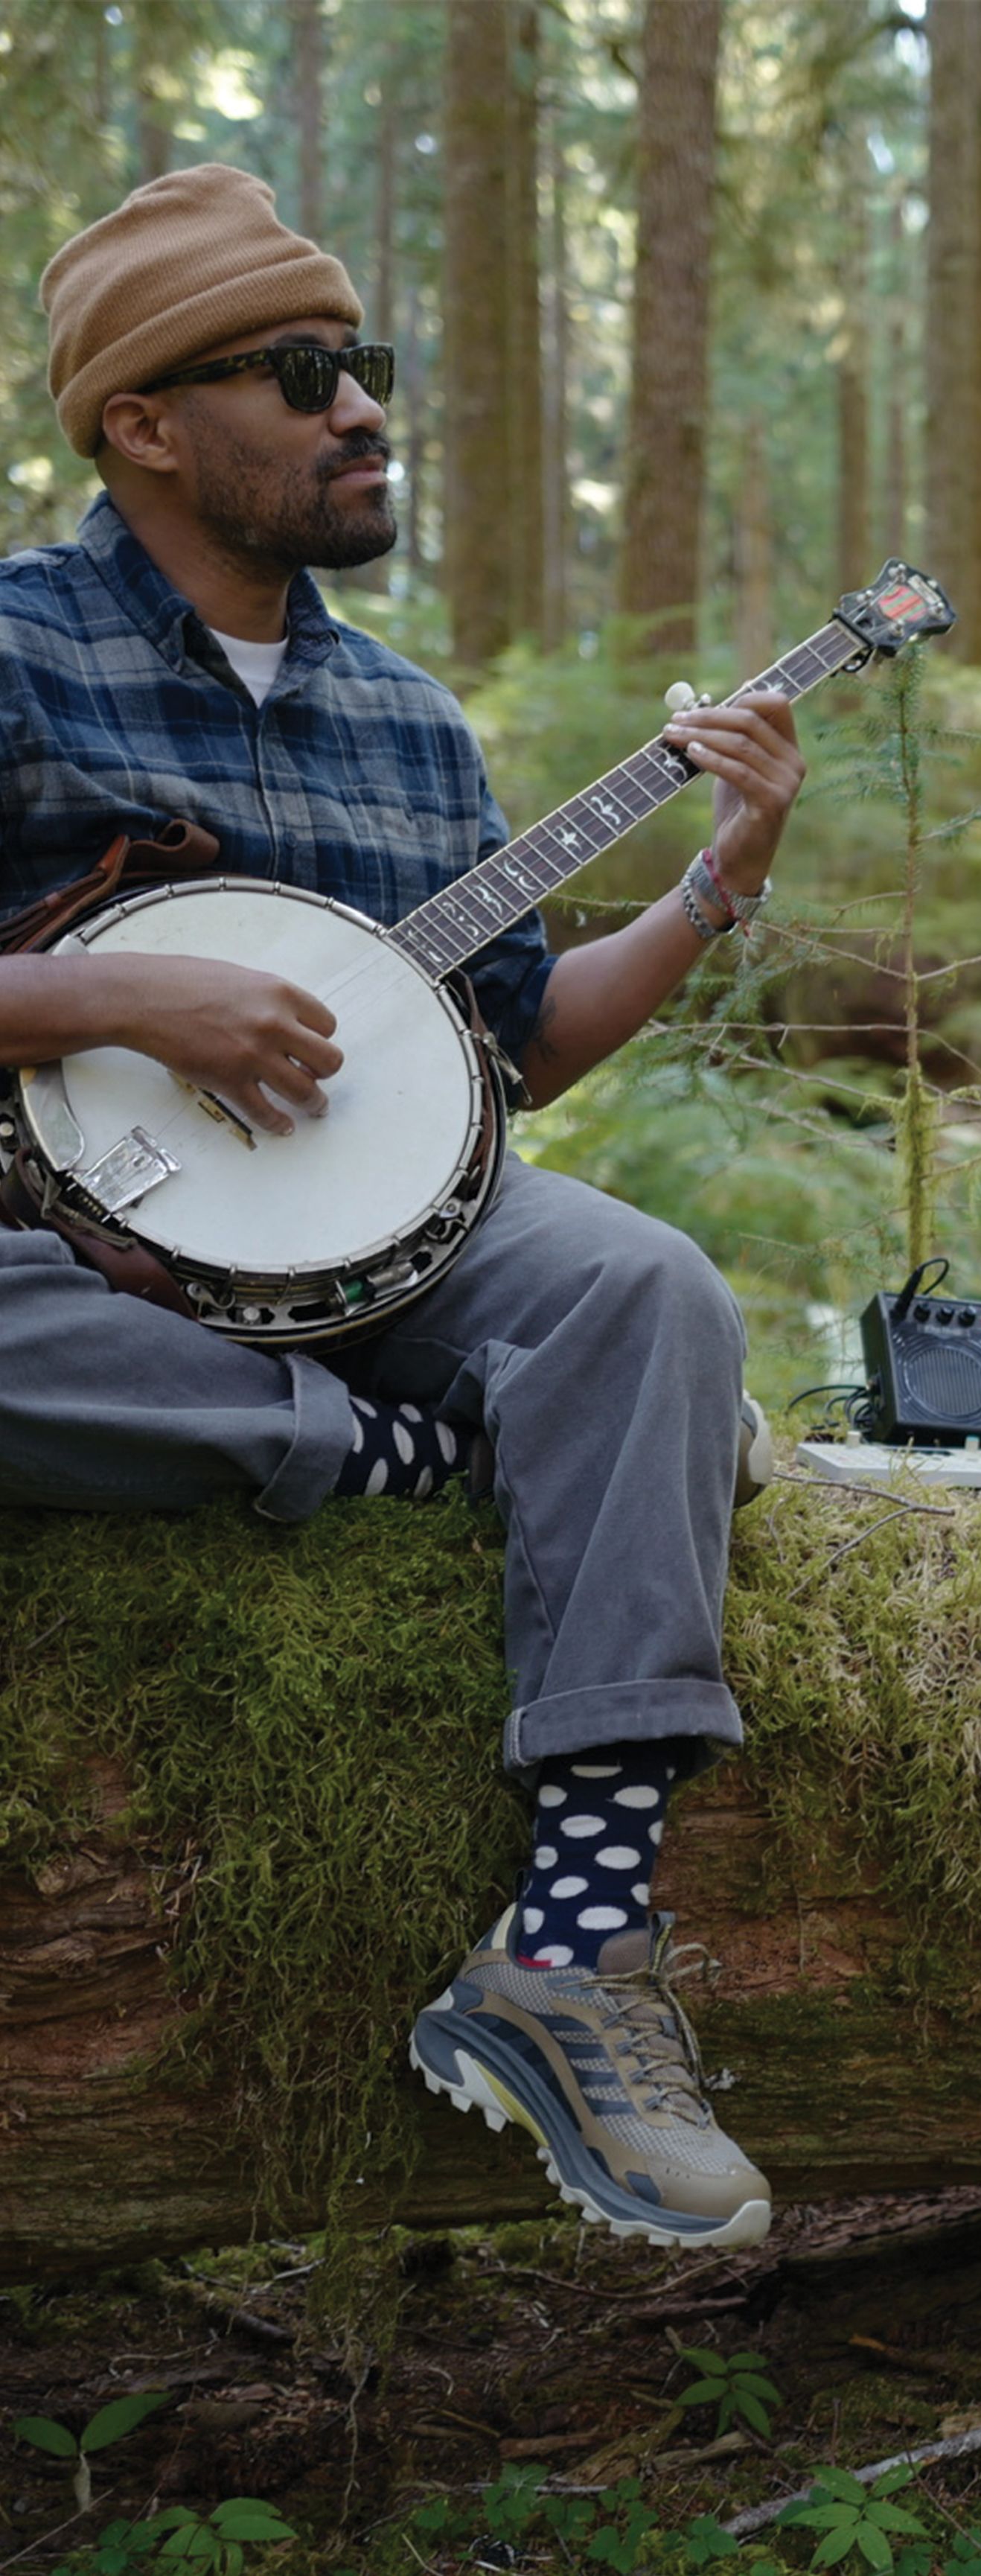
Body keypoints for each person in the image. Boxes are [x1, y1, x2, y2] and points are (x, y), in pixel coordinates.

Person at [1, 165, 805, 2251]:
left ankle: (574, 1944)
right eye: (301, 371)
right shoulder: (13, 654)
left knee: (645, 1292)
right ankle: (404, 1456)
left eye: (367, 364)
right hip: (58, 1251)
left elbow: (513, 1054)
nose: (361, 407)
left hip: (385, 1257)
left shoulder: (403, 725)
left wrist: (715, 879)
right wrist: (104, 992)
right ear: (146, 428)